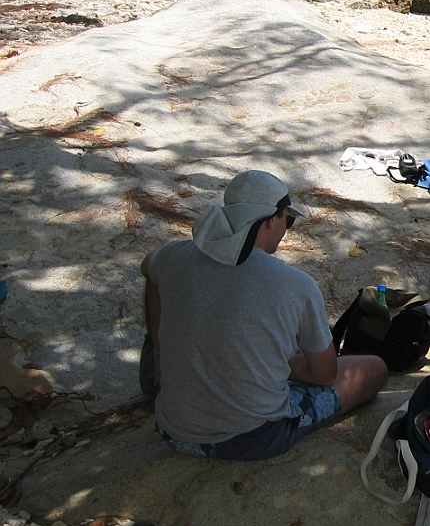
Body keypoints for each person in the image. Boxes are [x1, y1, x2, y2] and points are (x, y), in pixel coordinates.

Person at [140, 170, 388, 461]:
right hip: (252, 437)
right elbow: (325, 374)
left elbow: (149, 268)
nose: (286, 229)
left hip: (172, 428)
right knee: (374, 369)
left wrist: (158, 342)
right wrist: (283, 363)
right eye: (289, 220)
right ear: (272, 219)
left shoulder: (174, 255)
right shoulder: (295, 284)